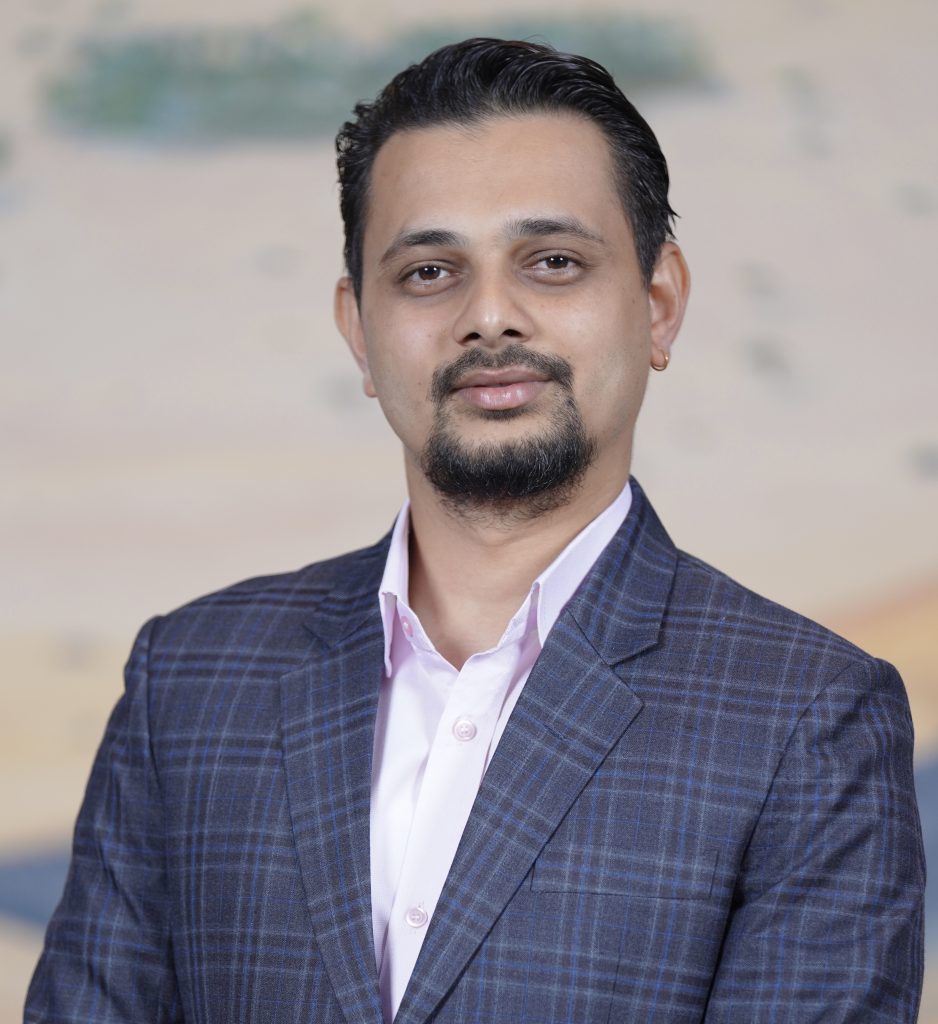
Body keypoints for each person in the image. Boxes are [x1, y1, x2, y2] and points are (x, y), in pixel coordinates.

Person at [26, 37, 924, 1024]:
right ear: (357, 329)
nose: (488, 315)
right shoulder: (190, 680)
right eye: (427, 271)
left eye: (553, 262)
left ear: (659, 305)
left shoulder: (808, 716)